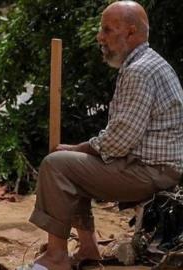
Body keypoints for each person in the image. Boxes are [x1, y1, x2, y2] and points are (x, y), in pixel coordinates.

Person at [27, 1, 183, 270]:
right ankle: (88, 250)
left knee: (57, 165)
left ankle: (56, 257)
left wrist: (78, 148)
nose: (100, 37)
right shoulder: (149, 62)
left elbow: (120, 140)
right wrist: (80, 151)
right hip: (154, 166)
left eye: (107, 30)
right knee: (72, 164)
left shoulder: (139, 71)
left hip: (150, 170)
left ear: (131, 33)